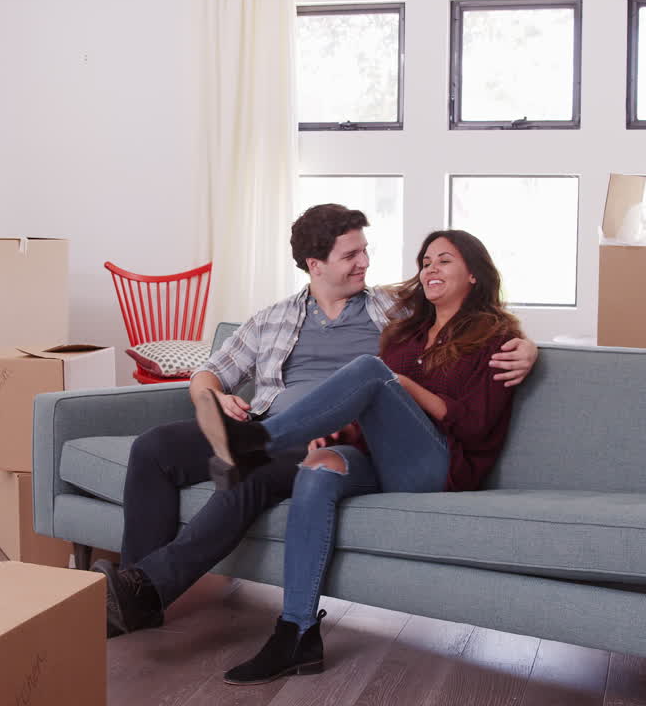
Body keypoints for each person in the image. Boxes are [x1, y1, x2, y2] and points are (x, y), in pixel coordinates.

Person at [93, 206, 538, 639]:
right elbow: (208, 371)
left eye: (365, 250)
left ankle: (148, 584)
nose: (364, 261)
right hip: (266, 420)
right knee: (154, 447)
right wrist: (213, 397)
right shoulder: (273, 318)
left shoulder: (394, 309)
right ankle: (135, 594)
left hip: (329, 439)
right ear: (315, 264)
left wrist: (528, 346)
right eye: (351, 255)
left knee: (250, 470)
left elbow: (464, 318)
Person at [192, 229, 525, 685]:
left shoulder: (497, 338)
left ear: (473, 273)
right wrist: (338, 432)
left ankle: (256, 443)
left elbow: (473, 424)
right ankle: (297, 633)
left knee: (371, 369)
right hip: (383, 459)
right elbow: (375, 414)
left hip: (439, 467)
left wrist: (402, 387)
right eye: (425, 261)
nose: (429, 268)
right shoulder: (406, 335)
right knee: (316, 470)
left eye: (444, 260)